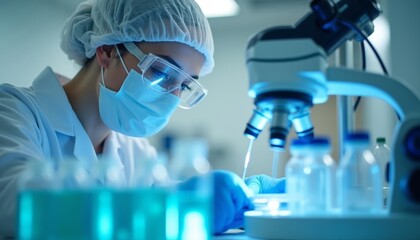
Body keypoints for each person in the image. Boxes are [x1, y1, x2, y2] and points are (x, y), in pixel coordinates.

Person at [0, 0, 285, 237]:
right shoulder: (14, 111)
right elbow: (15, 204)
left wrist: (237, 199)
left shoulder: (134, 149)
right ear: (107, 51)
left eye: (184, 85)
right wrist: (177, 207)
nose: (172, 96)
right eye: (161, 72)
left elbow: (154, 201)